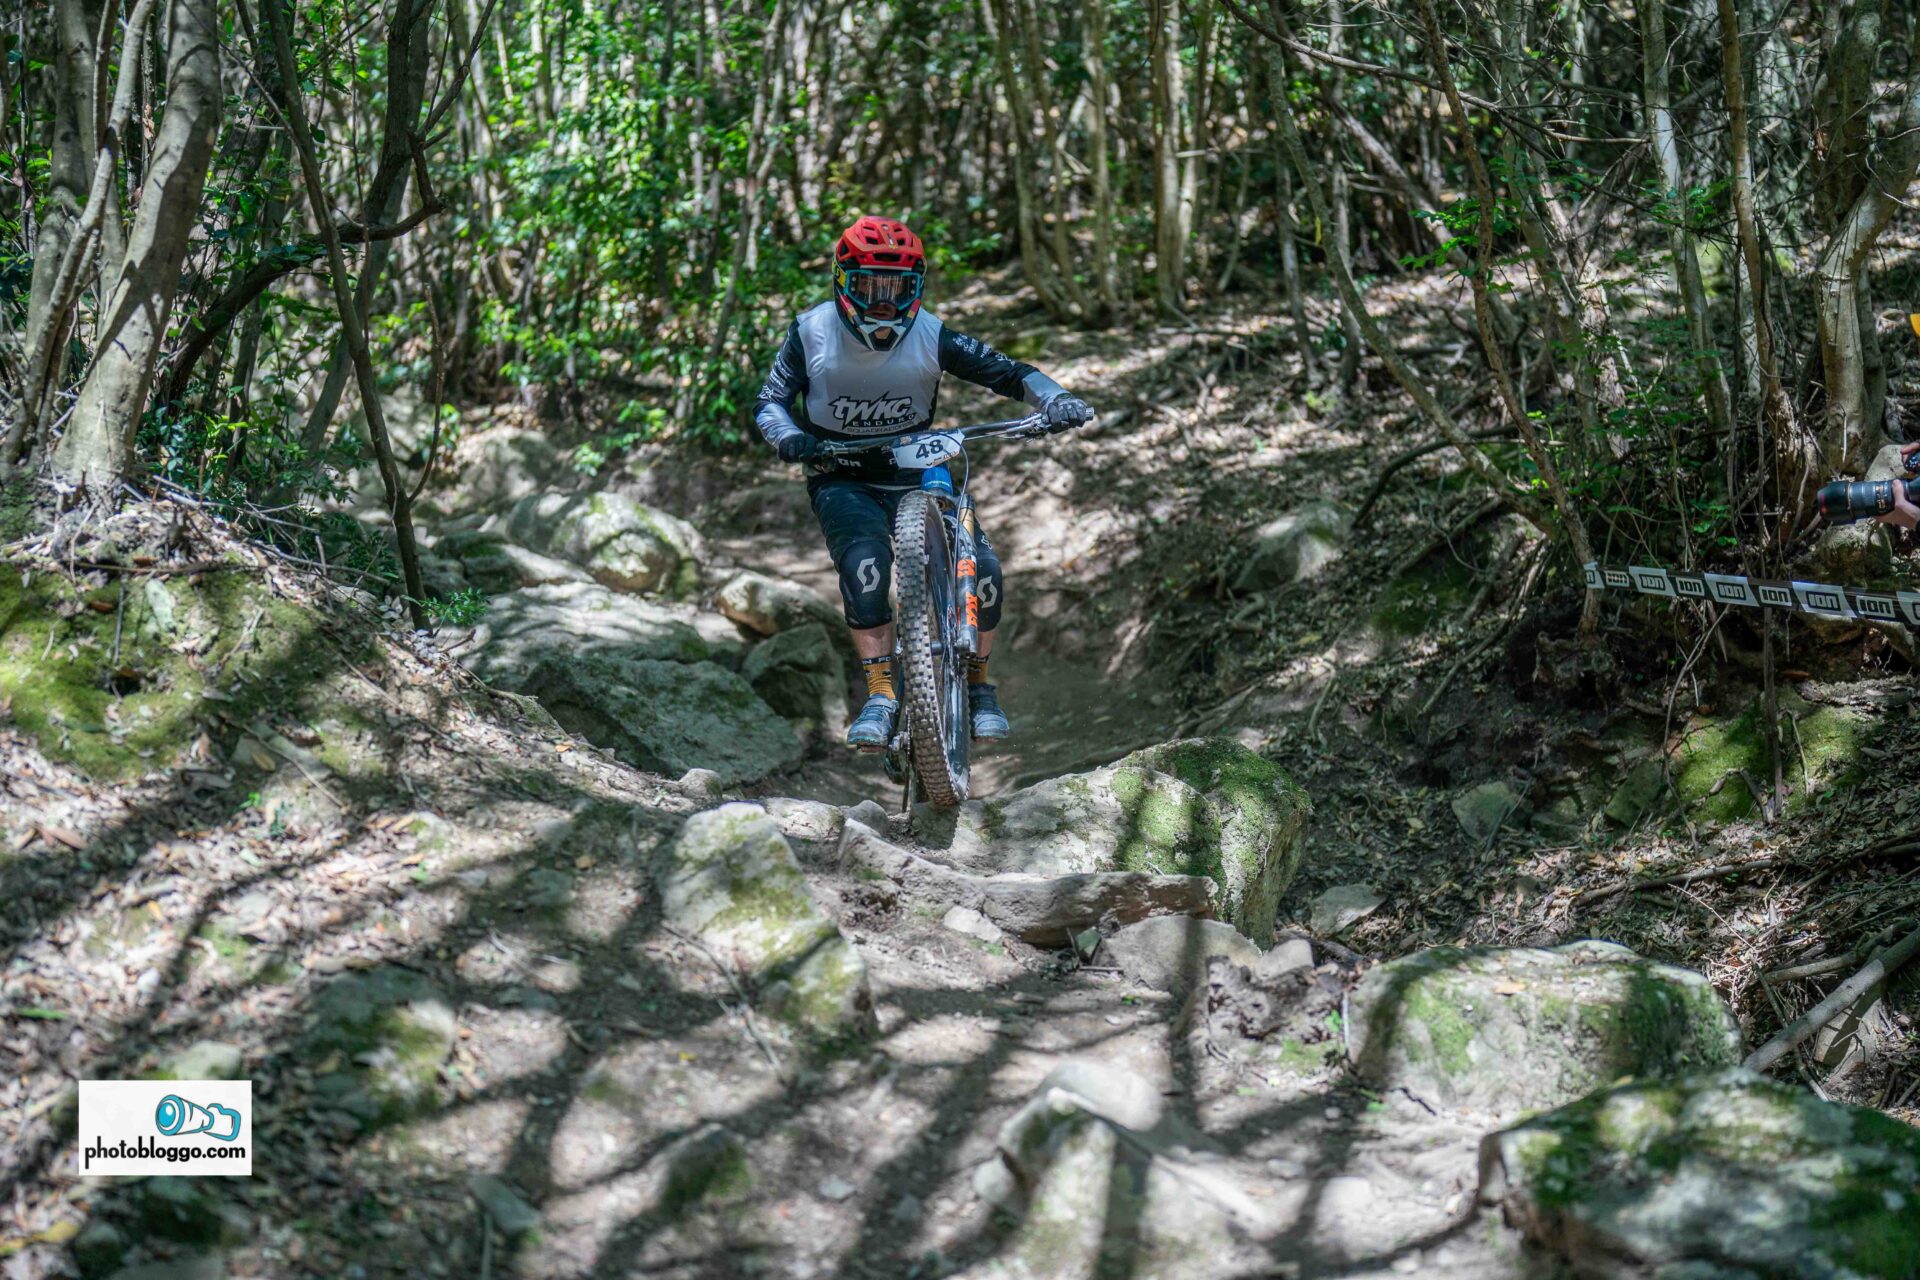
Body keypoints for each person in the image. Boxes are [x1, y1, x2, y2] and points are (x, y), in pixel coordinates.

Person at [754, 215, 1094, 751]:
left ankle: (979, 686)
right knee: (865, 566)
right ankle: (881, 694)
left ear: (917, 288)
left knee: (984, 570)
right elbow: (770, 401)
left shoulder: (931, 334)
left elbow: (1009, 371)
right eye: (871, 287)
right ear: (843, 283)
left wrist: (1056, 398)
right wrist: (790, 437)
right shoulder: (810, 331)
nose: (884, 303)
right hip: (841, 474)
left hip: (919, 467)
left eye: (897, 288)